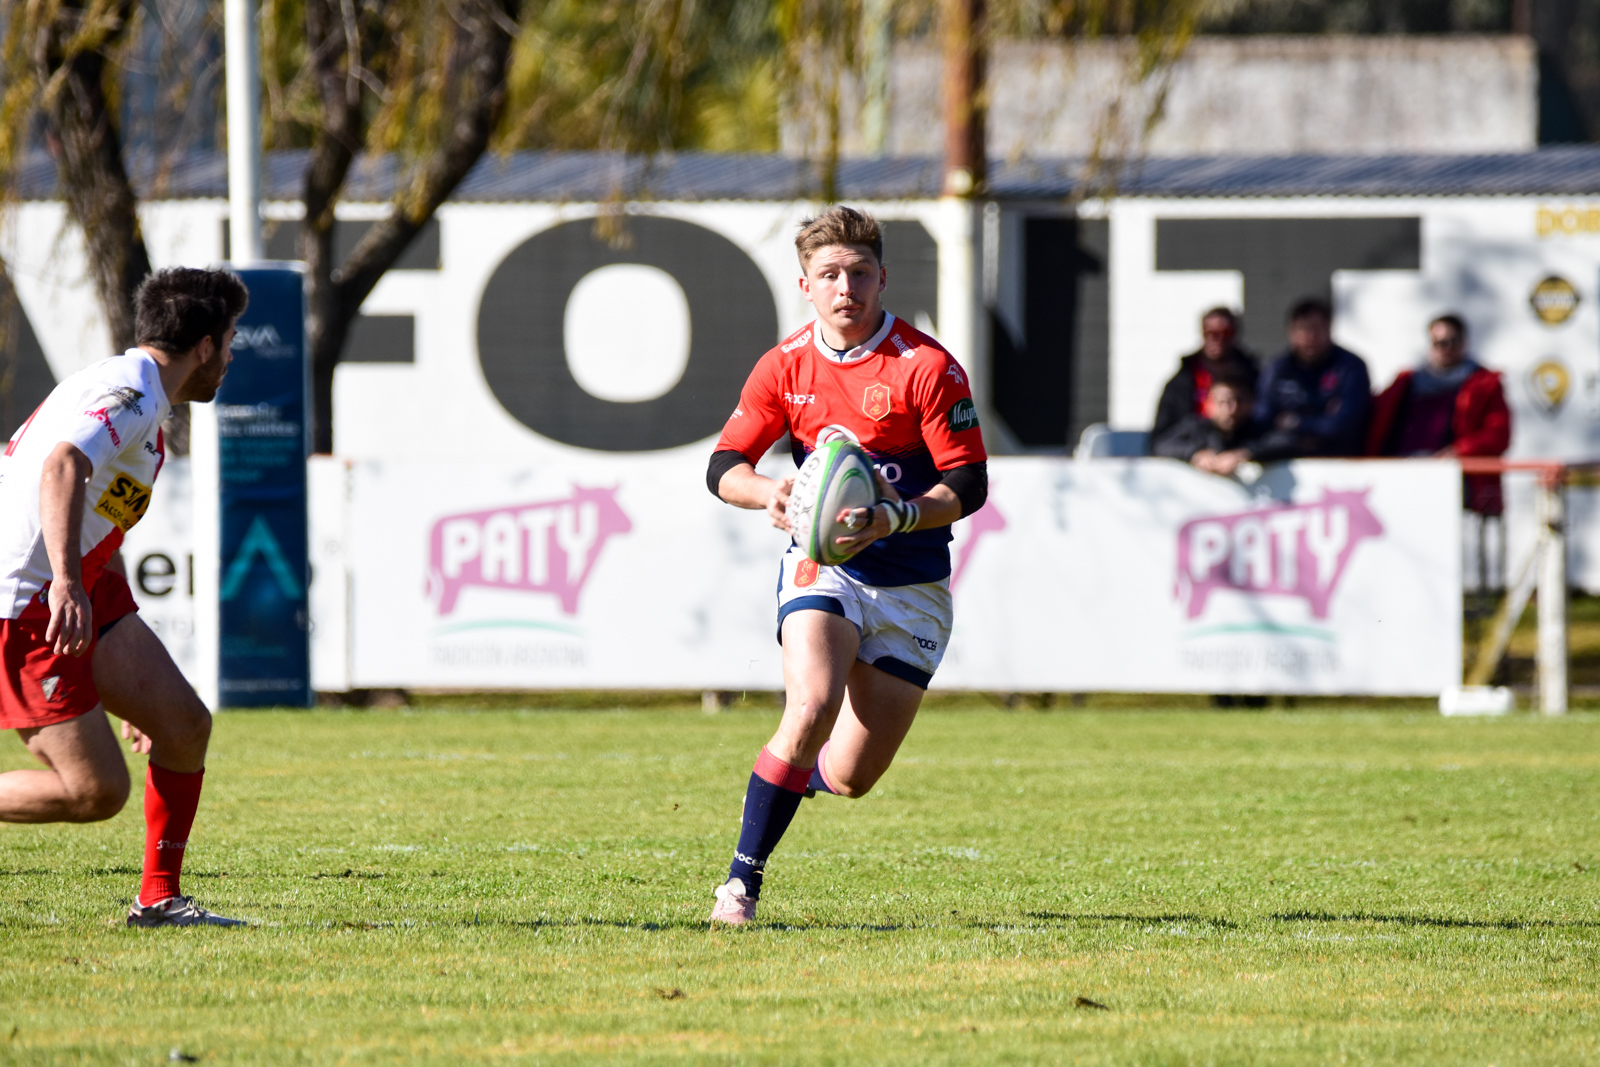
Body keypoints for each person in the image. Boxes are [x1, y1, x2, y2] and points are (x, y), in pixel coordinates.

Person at [704, 206, 988, 926]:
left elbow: (970, 486)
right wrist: (771, 492)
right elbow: (722, 467)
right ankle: (740, 885)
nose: (846, 287)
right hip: (825, 565)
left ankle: (798, 780)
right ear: (806, 284)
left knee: (853, 776)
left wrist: (895, 515)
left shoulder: (926, 367)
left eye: (860, 273)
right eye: (830, 274)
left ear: (883, 277)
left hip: (913, 584)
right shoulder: (785, 366)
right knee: (809, 706)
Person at [0, 267, 248, 927]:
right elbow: (61, 465)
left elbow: (88, 502)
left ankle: (159, 899)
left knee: (183, 725)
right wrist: (63, 581)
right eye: (229, 340)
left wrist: (82, 584)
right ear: (202, 345)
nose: (230, 356)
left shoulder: (134, 392)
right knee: (94, 790)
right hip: (24, 599)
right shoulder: (131, 393)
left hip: (82, 579)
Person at [1366, 313, 1511, 514]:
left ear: (1464, 343)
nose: (1445, 348)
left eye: (1452, 341)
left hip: (1456, 482)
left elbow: (1498, 434)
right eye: (1438, 342)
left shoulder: (1484, 384)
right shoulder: (1405, 382)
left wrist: (1457, 452)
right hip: (1400, 478)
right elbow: (1373, 420)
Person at [1255, 298, 1371, 457]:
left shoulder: (1349, 367)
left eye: (1317, 329)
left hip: (1339, 461)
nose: (1310, 337)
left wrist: (1295, 422)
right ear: (1291, 333)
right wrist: (1320, 421)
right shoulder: (1277, 369)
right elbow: (1261, 420)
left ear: (1329, 330)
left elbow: (1345, 424)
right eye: (1303, 329)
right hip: (1283, 461)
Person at [1151, 369, 1290, 474]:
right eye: (1223, 402)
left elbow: (1284, 443)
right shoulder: (1196, 427)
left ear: (1251, 403)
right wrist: (1195, 454)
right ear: (1209, 403)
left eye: (1239, 401)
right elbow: (1161, 445)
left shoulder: (1258, 429)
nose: (1231, 409)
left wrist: (1245, 454)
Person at [1151, 307, 1258, 443]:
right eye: (1211, 333)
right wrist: (1194, 453)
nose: (1218, 339)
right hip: (1193, 450)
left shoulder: (1254, 377)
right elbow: (1160, 440)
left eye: (1225, 333)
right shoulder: (1181, 381)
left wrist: (1246, 451)